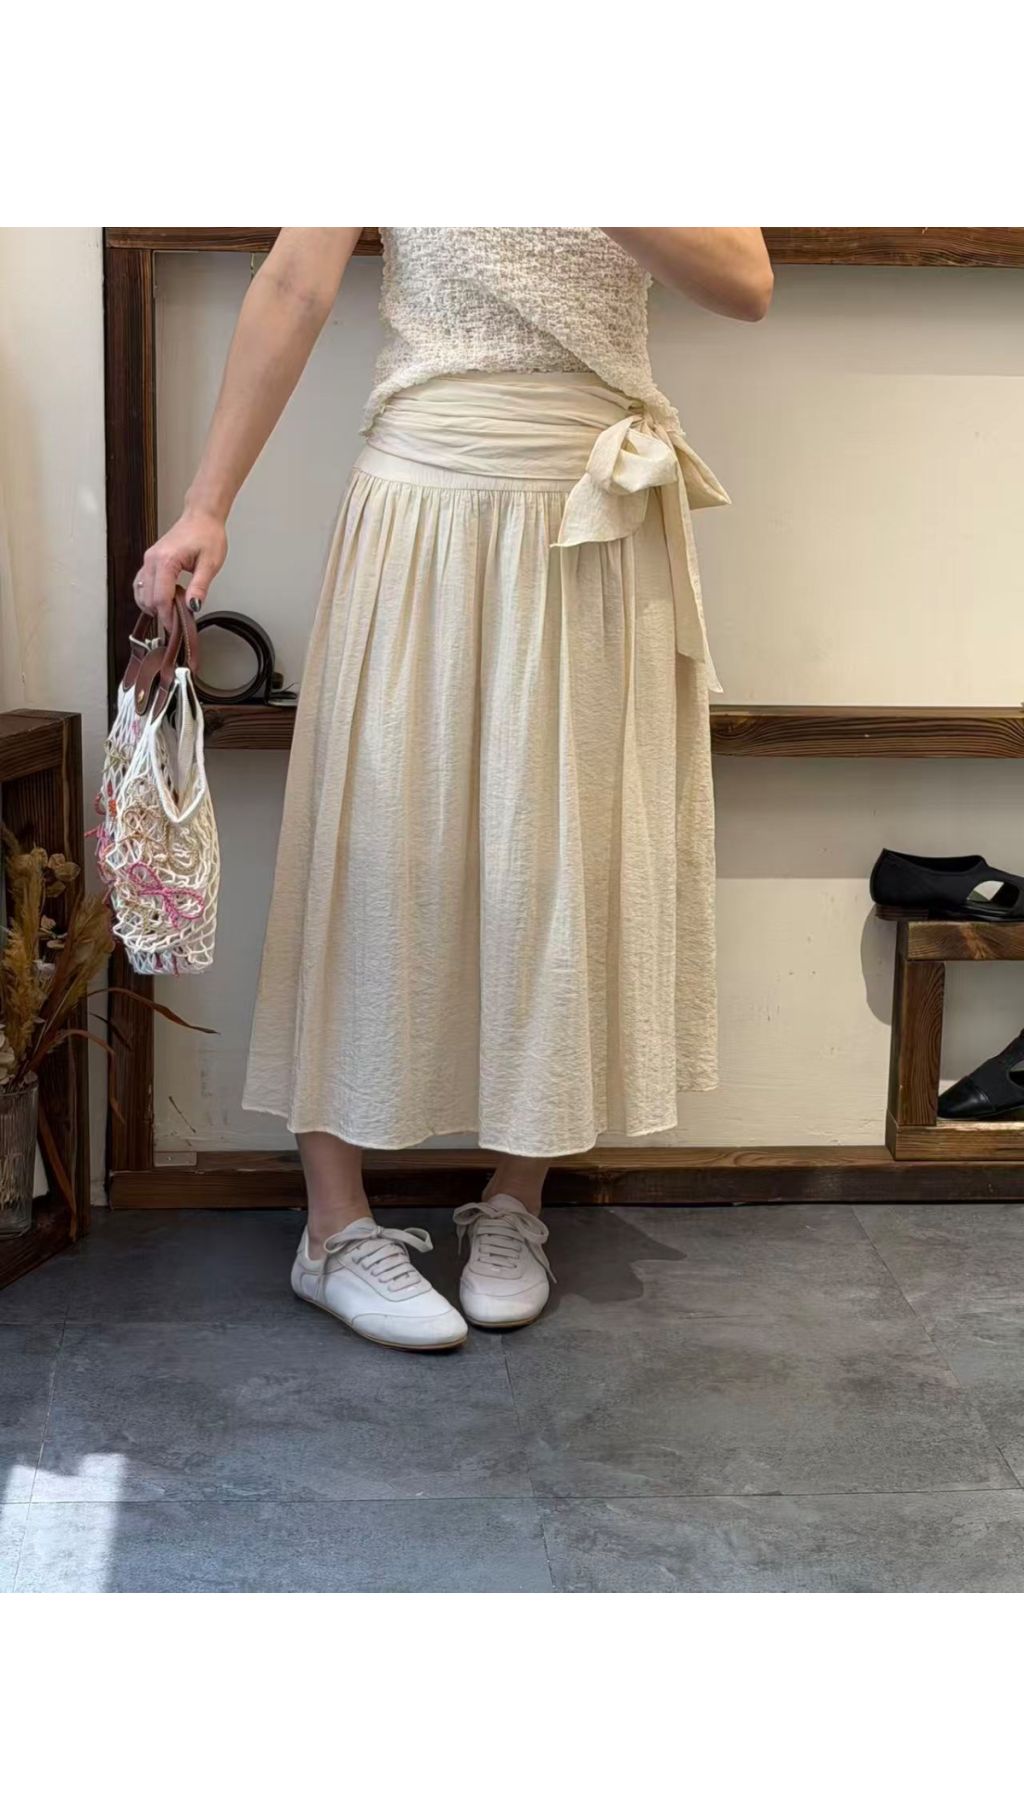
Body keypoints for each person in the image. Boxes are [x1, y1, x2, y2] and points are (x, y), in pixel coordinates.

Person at [134, 226, 773, 1351]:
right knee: (369, 849)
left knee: (557, 862)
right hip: (420, 505)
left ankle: (518, 1198)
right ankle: (334, 1226)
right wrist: (207, 504)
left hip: (589, 514)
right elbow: (293, 285)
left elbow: (745, 282)